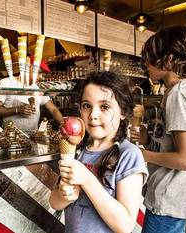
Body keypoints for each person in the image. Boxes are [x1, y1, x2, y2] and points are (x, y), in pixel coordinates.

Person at [49, 71, 148, 233]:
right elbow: (54, 202)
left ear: (123, 112)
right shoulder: (77, 148)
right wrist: (63, 194)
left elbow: (125, 226)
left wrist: (87, 179)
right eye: (87, 106)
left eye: (104, 107)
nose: (93, 115)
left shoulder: (129, 154)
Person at [130, 25, 186, 233]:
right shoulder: (184, 90)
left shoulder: (178, 95)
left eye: (150, 57)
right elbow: (173, 147)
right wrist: (148, 140)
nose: (145, 63)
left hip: (168, 199)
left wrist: (143, 154)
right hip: (172, 200)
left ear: (170, 59)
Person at [0, 77, 64, 133]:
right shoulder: (6, 82)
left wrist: (64, 125)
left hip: (33, 137)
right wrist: (17, 110)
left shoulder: (39, 86)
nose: (40, 76)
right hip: (10, 137)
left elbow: (53, 109)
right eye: (37, 71)